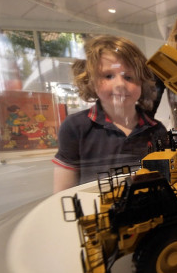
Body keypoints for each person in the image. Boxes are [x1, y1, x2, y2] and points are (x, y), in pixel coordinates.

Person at [52, 35, 167, 192]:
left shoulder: (157, 130)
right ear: (90, 80)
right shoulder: (75, 127)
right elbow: (62, 193)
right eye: (108, 76)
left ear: (142, 81)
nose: (120, 84)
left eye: (128, 77)